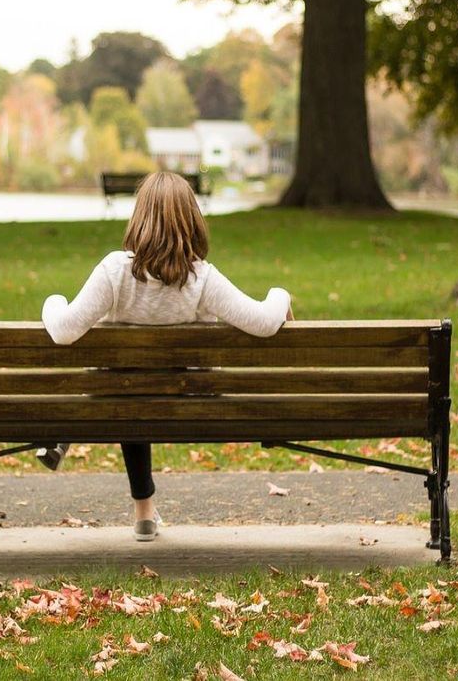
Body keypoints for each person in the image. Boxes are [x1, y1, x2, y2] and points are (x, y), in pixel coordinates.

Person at [39, 171, 292, 541]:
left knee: (126, 384)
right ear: (192, 220)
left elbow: (63, 330)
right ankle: (144, 512)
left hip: (122, 398)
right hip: (188, 399)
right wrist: (281, 294)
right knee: (135, 384)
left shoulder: (114, 271)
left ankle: (126, 493)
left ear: (138, 218)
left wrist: (53, 301)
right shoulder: (200, 278)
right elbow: (265, 322)